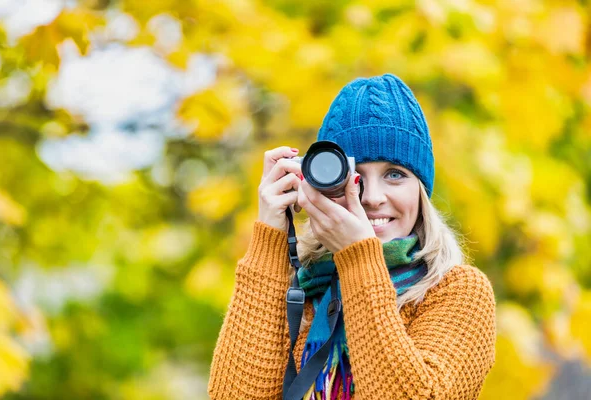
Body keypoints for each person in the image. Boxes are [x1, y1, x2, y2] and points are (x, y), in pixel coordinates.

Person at [208, 74, 496, 399]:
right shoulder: (297, 290)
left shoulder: (457, 291)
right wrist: (269, 240)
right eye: (355, 178)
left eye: (395, 175)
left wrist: (358, 257)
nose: (372, 197)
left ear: (421, 190)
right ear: (318, 184)